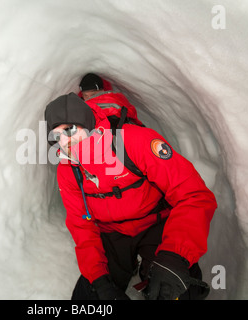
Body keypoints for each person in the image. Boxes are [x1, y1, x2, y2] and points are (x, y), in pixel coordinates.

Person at [44, 92, 217, 300]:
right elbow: (82, 225)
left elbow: (192, 194)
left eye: (69, 129)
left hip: (154, 224)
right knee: (89, 299)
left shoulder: (134, 141)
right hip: (112, 233)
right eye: (56, 136)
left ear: (86, 123)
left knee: (174, 290)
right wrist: (99, 279)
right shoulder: (68, 169)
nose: (64, 141)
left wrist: (174, 256)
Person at [78, 73, 144, 127]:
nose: (89, 98)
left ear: (102, 91)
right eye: (85, 96)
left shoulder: (115, 100)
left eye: (93, 95)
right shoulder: (79, 109)